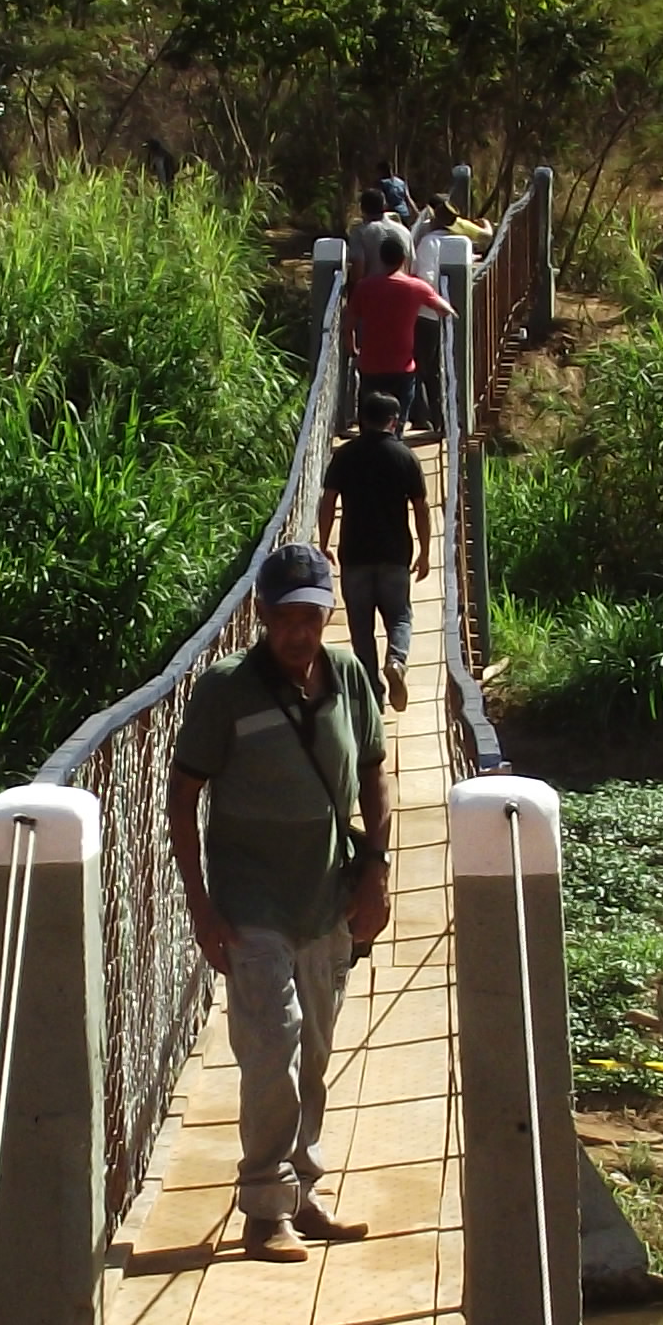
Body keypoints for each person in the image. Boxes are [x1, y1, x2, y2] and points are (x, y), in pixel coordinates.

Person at [169, 543, 394, 1262]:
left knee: (316, 1052)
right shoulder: (226, 690)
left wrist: (378, 870)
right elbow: (181, 798)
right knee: (272, 1050)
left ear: (327, 616)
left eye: (311, 616)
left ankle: (303, 1189)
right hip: (251, 902)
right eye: (285, 617)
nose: (299, 631)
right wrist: (202, 908)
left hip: (325, 895)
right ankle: (265, 1208)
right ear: (261, 617)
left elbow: (375, 774)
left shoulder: (351, 675)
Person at [319, 388, 430, 705]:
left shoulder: (345, 455)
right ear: (394, 422)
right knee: (400, 618)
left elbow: (328, 501)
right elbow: (421, 508)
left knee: (361, 628)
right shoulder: (405, 457)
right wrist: (425, 552)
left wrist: (324, 542)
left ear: (362, 419)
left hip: (354, 555)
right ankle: (396, 660)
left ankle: (372, 693)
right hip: (395, 554)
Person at [344, 217, 450, 441]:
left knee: (369, 419)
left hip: (370, 365)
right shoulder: (416, 287)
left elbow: (349, 324)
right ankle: (396, 440)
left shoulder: (364, 287)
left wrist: (352, 348)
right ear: (404, 259)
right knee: (397, 419)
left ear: (381, 259)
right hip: (402, 367)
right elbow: (445, 310)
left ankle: (368, 450)